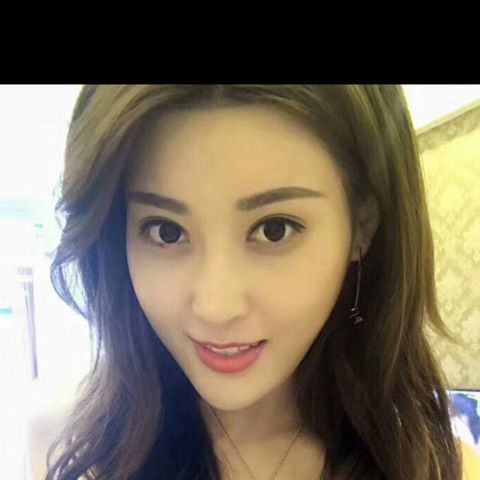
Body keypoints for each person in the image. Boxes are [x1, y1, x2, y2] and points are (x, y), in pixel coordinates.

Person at [39, 85, 463, 479]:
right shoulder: (74, 452)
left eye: (274, 229)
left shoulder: (432, 465)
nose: (215, 308)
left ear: (361, 227)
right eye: (166, 231)